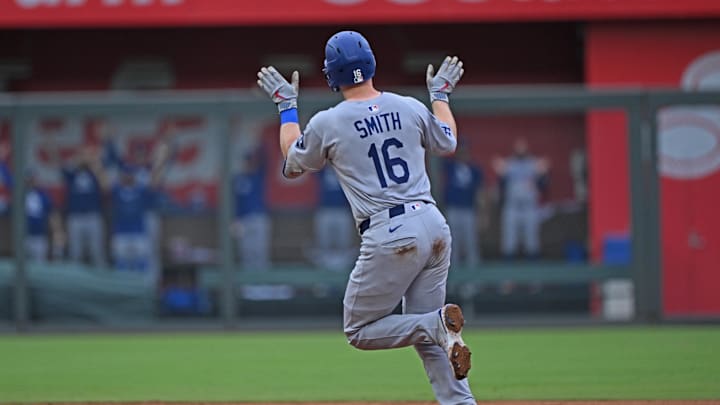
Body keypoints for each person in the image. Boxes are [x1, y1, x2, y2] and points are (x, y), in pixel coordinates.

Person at [257, 31, 474, 404]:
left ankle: (435, 324)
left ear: (331, 74)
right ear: (371, 64)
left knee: (359, 330)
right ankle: (459, 398)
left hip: (391, 231)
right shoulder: (408, 106)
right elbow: (448, 141)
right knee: (432, 336)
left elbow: (293, 163)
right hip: (433, 223)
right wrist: (439, 96)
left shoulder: (330, 121)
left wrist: (286, 106)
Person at [493, 137, 549, 260]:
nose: (521, 149)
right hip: (512, 207)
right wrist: (500, 173)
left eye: (523, 147)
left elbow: (544, 185)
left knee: (532, 243)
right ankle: (508, 278)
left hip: (529, 207)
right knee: (509, 243)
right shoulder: (509, 164)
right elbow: (500, 185)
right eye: (519, 147)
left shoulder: (534, 164)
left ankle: (534, 277)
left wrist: (543, 174)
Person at [57, 144, 109, 268]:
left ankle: (100, 281)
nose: (86, 157)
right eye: (83, 155)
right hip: (75, 216)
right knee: (75, 252)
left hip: (93, 216)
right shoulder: (72, 173)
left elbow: (105, 187)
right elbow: (60, 164)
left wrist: (95, 163)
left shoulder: (95, 173)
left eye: (88, 155)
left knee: (97, 251)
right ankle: (75, 281)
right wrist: (78, 159)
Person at [443, 145, 486, 268]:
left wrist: (483, 213)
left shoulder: (474, 169)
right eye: (461, 152)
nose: (463, 154)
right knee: (452, 245)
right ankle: (455, 282)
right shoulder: (450, 166)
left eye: (465, 151)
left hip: (469, 210)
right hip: (453, 209)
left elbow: (480, 192)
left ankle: (473, 283)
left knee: (471, 244)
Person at [232, 146, 271, 271]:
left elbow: (265, 160)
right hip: (243, 220)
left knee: (260, 253)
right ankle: (249, 288)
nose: (248, 164)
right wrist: (235, 220)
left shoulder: (258, 176)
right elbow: (234, 202)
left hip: (258, 218)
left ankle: (262, 285)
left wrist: (259, 142)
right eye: (247, 161)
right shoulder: (238, 179)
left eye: (250, 161)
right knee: (246, 253)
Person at [110, 167, 154, 274]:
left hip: (139, 232)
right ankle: (123, 289)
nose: (128, 177)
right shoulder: (116, 190)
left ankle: (142, 288)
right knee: (121, 265)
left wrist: (160, 161)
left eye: (130, 174)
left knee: (142, 264)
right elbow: (105, 184)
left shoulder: (141, 190)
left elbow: (153, 183)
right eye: (126, 174)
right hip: (121, 233)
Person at [311, 167, 355, 271]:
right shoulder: (322, 171)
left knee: (344, 243)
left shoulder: (345, 170)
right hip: (324, 209)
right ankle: (325, 270)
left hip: (342, 209)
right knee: (324, 243)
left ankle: (342, 269)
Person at [24, 171, 62, 262]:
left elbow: (52, 212)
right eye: (30, 179)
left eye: (33, 179)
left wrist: (57, 230)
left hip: (40, 235)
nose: (32, 182)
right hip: (25, 235)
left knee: (40, 262)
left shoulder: (42, 195)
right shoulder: (21, 194)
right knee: (24, 263)